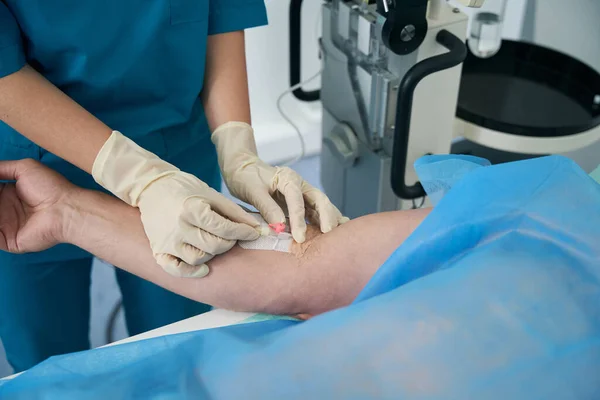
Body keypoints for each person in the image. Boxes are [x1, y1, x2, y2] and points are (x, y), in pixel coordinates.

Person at [0, 2, 345, 372]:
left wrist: (237, 147)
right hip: (32, 173)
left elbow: (222, 13)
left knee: (177, 345)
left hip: (176, 151)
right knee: (46, 365)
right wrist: (140, 178)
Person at [0, 159, 426, 319]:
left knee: (171, 322)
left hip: (166, 131)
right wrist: (69, 210)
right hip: (20, 168)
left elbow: (309, 268)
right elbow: (309, 267)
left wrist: (237, 148)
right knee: (41, 329)